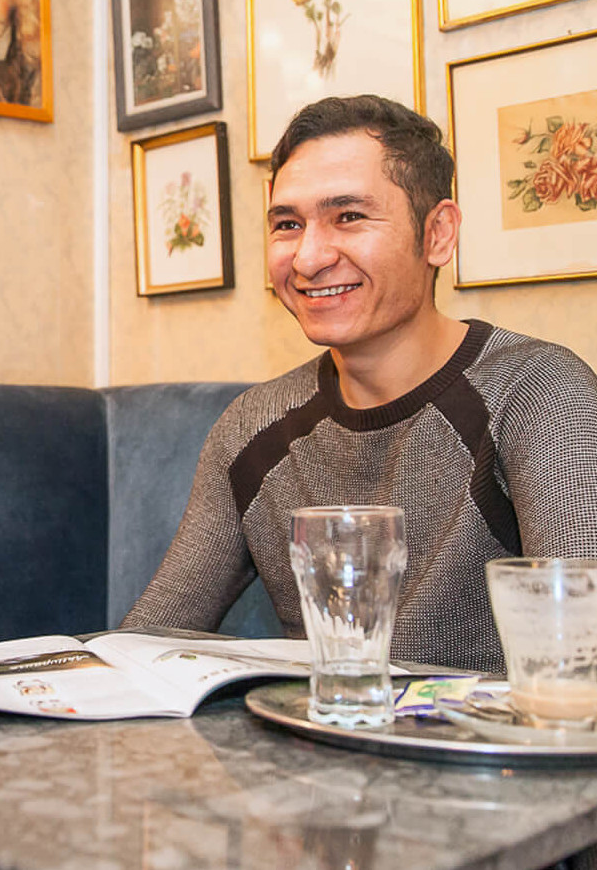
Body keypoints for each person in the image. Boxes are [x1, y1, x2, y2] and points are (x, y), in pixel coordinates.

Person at [121, 93, 597, 677]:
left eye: (348, 216)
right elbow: (145, 643)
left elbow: (581, 662)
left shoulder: (538, 391)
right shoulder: (252, 425)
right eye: (288, 225)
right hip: (311, 748)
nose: (309, 258)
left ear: (439, 234)